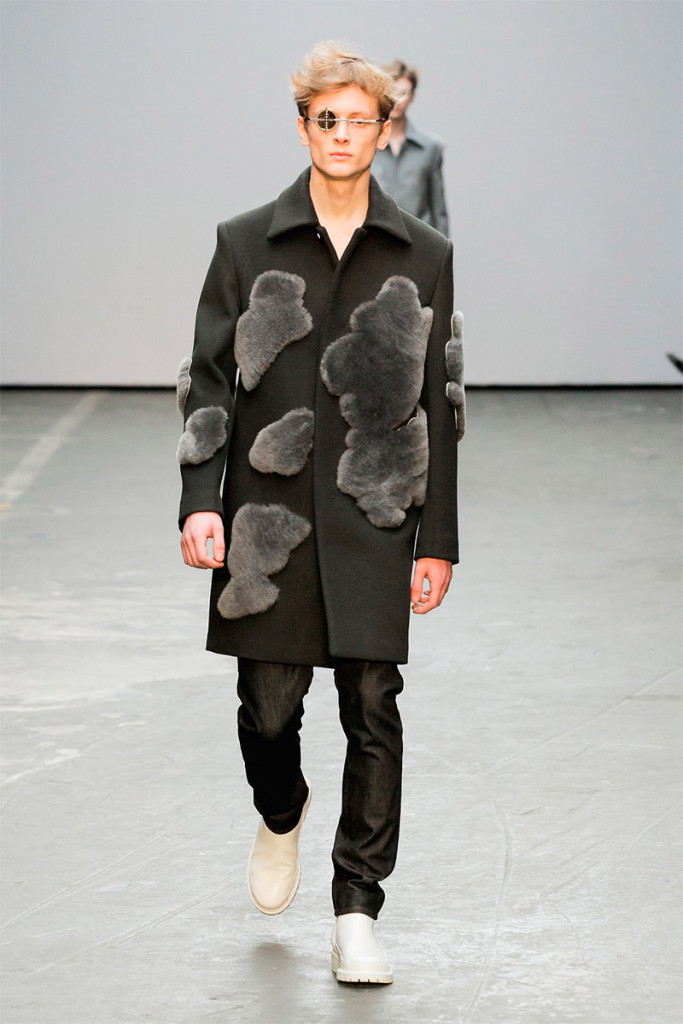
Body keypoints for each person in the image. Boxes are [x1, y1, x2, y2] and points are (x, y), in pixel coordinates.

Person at [176, 40, 465, 985]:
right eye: (324, 118)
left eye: (358, 120)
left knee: (373, 703)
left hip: (376, 512)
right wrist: (199, 501)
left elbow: (441, 400)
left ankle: (356, 911)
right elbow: (208, 381)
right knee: (268, 714)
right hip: (264, 522)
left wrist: (437, 539)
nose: (341, 135)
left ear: (385, 131)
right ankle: (280, 809)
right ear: (303, 126)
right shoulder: (244, 242)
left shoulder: (425, 255)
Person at [371, 59, 449, 237]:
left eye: (403, 93)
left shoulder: (430, 148)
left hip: (420, 241)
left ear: (412, 96)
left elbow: (438, 208)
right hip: (377, 240)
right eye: (392, 92)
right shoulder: (366, 145)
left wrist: (444, 249)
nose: (397, 100)